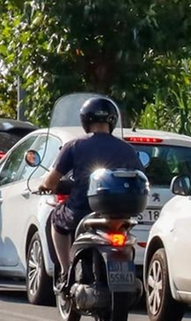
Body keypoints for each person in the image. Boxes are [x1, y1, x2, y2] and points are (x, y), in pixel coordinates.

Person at [38, 95, 142, 284]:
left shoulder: (75, 145)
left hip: (81, 211)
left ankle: (65, 270)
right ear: (112, 120)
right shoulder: (126, 149)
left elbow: (52, 181)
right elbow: (139, 175)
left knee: (56, 219)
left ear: (85, 120)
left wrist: (44, 186)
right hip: (120, 215)